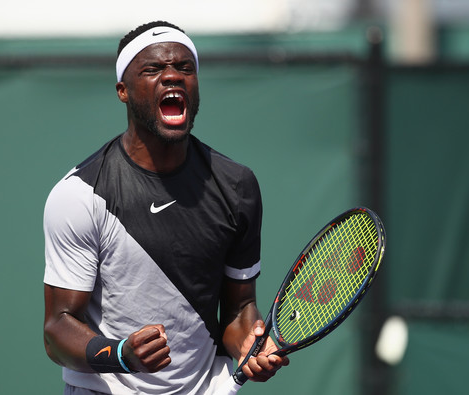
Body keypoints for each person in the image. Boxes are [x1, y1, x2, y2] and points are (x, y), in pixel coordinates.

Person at [43, 20, 289, 394]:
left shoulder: (237, 187)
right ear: (123, 91)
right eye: (154, 69)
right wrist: (120, 353)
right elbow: (58, 327)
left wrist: (250, 346)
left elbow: (239, 310)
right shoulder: (79, 194)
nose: (172, 77)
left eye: (184, 68)